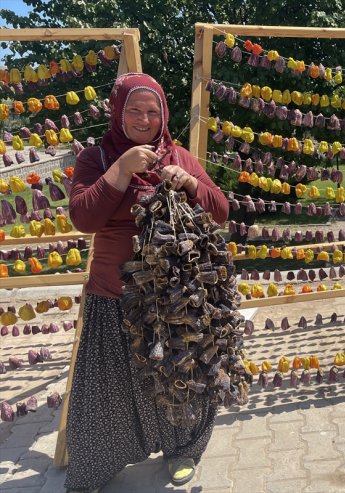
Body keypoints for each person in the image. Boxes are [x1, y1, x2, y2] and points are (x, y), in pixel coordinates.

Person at [66, 73, 229, 492]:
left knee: (179, 378)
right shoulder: (97, 159)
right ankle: (99, 463)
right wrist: (121, 170)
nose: (144, 119)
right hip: (115, 293)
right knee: (108, 388)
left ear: (164, 114)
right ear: (118, 112)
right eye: (134, 110)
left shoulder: (178, 155)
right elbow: (84, 218)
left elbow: (221, 210)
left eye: (152, 111)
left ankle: (182, 449)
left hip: (175, 298)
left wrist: (191, 183)